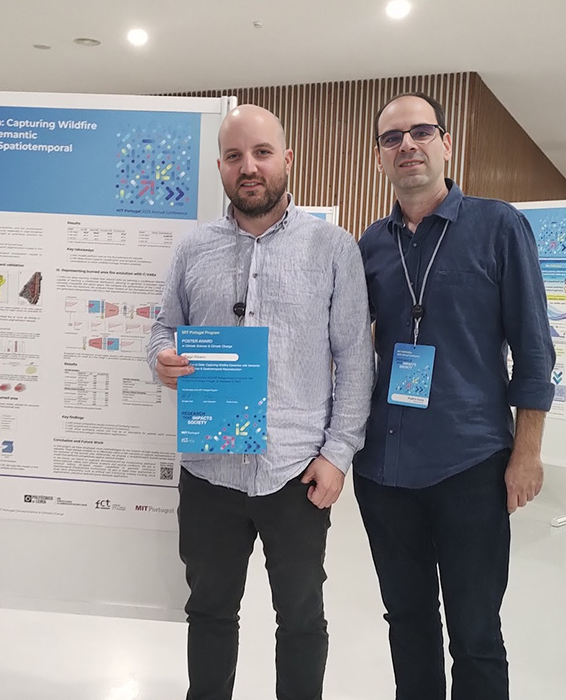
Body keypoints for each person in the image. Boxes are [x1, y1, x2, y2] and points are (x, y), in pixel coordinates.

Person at [147, 104, 374, 700]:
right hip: (209, 471)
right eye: (234, 156)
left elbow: (356, 359)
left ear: (287, 160)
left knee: (300, 619)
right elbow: (163, 328)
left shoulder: (332, 248)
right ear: (221, 166)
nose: (248, 166)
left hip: (294, 474)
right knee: (209, 612)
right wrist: (162, 358)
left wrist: (338, 454)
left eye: (262, 152)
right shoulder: (193, 249)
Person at [353, 92, 555, 700]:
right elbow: (342, 346)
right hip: (384, 470)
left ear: (446, 142)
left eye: (421, 132)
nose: (407, 146)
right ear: (380, 156)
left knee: (475, 632)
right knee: (407, 623)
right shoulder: (371, 245)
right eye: (392, 137)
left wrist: (527, 453)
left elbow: (534, 349)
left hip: (471, 465)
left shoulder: (499, 226)